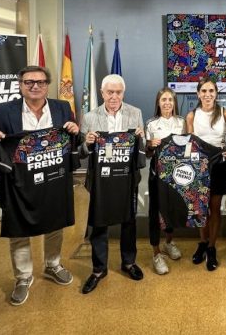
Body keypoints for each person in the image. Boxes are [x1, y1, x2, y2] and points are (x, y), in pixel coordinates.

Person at [0, 65, 79, 306]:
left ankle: (53, 264)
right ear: (20, 85)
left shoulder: (62, 107)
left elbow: (72, 141)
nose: (35, 86)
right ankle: (23, 276)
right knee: (19, 228)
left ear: (47, 85)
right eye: (29, 82)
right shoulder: (4, 111)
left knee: (55, 223)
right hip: (18, 183)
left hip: (53, 179)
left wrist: (74, 130)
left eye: (40, 82)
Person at [78, 74, 145, 293]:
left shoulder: (135, 113)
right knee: (99, 223)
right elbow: (80, 152)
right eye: (110, 92)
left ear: (123, 93)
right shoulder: (89, 117)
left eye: (118, 92)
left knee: (129, 221)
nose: (114, 96)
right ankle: (99, 269)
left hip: (127, 178)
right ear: (102, 93)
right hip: (100, 179)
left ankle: (129, 263)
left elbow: (141, 149)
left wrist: (141, 138)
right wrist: (87, 143)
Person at [186, 78, 226, 271]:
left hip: (219, 165)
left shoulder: (225, 113)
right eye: (204, 91)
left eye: (211, 91)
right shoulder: (191, 116)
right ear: (198, 94)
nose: (207, 94)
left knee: (215, 208)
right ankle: (203, 242)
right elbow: (189, 143)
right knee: (200, 208)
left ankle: (212, 247)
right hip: (199, 167)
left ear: (216, 93)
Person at [145, 87, 185, 275]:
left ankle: (169, 242)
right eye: (164, 100)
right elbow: (147, 154)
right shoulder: (151, 123)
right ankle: (156, 253)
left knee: (172, 209)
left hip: (176, 175)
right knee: (155, 212)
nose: (167, 103)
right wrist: (150, 145)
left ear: (174, 102)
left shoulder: (182, 122)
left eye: (170, 99)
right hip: (157, 175)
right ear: (158, 103)